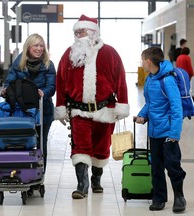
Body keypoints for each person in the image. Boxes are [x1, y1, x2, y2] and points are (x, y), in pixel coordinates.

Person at [54, 14, 129, 199]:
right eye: (76, 31)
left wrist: (122, 105)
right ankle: (82, 185)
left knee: (101, 147)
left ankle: (96, 180)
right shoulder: (69, 54)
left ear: (94, 32)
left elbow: (121, 80)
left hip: (105, 110)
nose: (79, 34)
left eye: (82, 31)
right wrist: (61, 106)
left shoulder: (110, 53)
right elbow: (60, 81)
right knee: (80, 147)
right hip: (78, 111)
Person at [134, 46, 186, 213]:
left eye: (142, 60)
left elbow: (176, 108)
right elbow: (151, 104)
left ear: (149, 61)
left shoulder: (168, 80)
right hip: (154, 132)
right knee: (156, 167)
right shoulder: (150, 79)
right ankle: (159, 198)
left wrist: (174, 134)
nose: (141, 63)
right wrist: (142, 116)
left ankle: (179, 196)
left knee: (173, 166)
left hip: (168, 133)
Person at [1, 33, 56, 172]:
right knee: (24, 141)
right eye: (36, 45)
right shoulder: (19, 64)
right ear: (28, 47)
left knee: (40, 142)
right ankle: (24, 171)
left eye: (41, 46)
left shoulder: (48, 65)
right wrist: (5, 89)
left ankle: (39, 173)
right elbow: (9, 82)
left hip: (43, 110)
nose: (39, 49)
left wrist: (44, 92)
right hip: (22, 111)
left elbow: (52, 87)